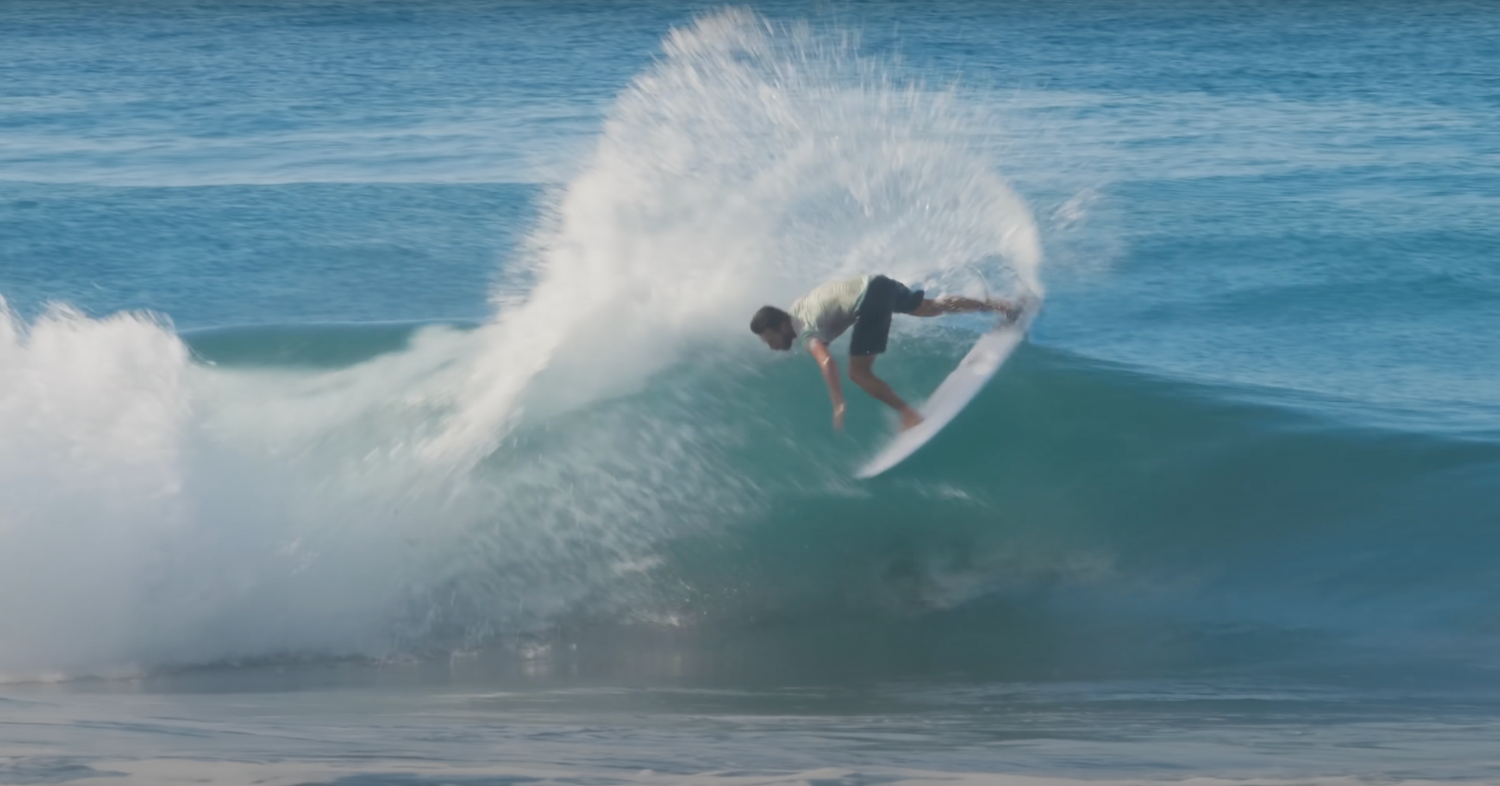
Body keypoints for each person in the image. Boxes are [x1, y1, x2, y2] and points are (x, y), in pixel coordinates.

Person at [751, 274, 1019, 431]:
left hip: (867, 301)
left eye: (771, 339)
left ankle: (907, 414)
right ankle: (1001, 306)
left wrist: (838, 402)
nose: (771, 346)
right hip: (876, 283)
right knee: (931, 307)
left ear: (783, 325)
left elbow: (827, 361)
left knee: (857, 373)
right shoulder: (796, 309)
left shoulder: (803, 333)